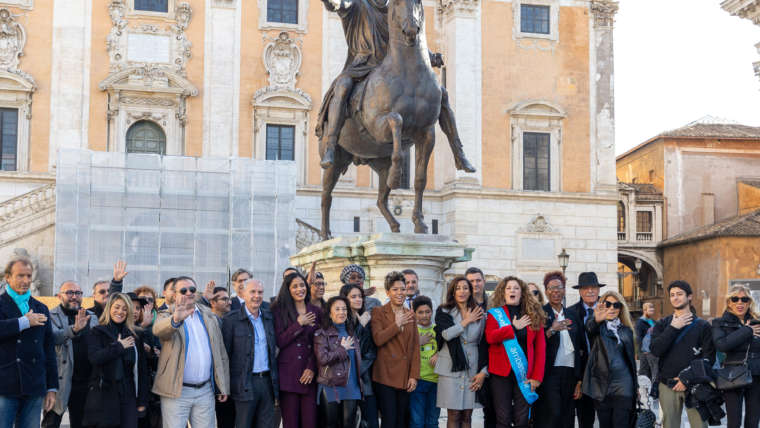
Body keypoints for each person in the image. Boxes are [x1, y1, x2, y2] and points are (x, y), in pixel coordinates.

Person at [152, 276, 230, 428]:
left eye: (192, 289)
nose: (188, 293)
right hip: (176, 392)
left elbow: (221, 353)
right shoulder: (166, 315)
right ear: (175, 295)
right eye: (183, 290)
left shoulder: (209, 315)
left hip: (205, 391)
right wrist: (175, 319)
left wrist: (223, 385)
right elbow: (158, 330)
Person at [0, 257, 57, 428]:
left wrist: (52, 388)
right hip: (5, 385)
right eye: (20, 276)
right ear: (7, 278)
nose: (25, 281)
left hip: (34, 384)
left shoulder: (41, 307)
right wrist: (23, 322)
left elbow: (49, 350)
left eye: (28, 276)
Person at [650, 280, 715, 428]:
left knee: (700, 425)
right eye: (672, 295)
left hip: (695, 384)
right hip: (667, 384)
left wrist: (686, 378)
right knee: (669, 425)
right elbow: (655, 350)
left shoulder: (702, 326)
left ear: (689, 296)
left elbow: (709, 358)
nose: (675, 298)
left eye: (679, 294)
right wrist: (673, 328)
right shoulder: (663, 324)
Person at [484, 276, 546, 428]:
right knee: (503, 420)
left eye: (516, 288)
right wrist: (512, 328)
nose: (512, 290)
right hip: (500, 375)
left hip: (525, 375)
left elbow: (540, 349)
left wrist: (537, 377)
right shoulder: (494, 314)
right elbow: (490, 338)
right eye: (508, 288)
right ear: (503, 293)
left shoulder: (533, 315)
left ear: (522, 293)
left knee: (522, 420)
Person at [84, 293, 150, 428]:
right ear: (109, 308)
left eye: (125, 309)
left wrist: (142, 401)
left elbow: (142, 370)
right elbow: (95, 358)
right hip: (104, 395)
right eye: (117, 307)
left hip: (129, 394)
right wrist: (118, 347)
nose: (120, 312)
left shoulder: (135, 334)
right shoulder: (97, 332)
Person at [222, 278, 279, 428]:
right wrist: (223, 386)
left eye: (260, 292)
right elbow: (224, 356)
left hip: (267, 382)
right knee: (243, 424)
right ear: (243, 294)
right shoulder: (231, 320)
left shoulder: (269, 317)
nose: (257, 296)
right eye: (252, 292)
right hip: (243, 383)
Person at [42, 281, 98, 428]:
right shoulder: (50, 315)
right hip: (59, 382)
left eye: (78, 293)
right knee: (50, 424)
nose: (74, 296)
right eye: (69, 293)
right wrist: (74, 329)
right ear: (60, 296)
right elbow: (52, 338)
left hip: (85, 383)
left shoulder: (92, 317)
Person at [434, 276, 487, 428]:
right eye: (458, 288)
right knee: (454, 414)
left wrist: (484, 370)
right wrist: (466, 321)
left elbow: (484, 343)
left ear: (470, 292)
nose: (462, 291)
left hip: (472, 367)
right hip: (450, 367)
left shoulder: (479, 312)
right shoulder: (444, 310)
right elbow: (446, 335)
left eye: (465, 288)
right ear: (452, 291)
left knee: (467, 416)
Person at [272, 272, 322, 428]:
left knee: (310, 422)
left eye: (302, 285)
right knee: (291, 423)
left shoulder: (316, 311)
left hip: (309, 375)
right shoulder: (278, 311)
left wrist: (312, 368)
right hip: (288, 375)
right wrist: (299, 323)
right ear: (288, 289)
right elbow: (280, 341)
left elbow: (320, 344)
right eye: (295, 286)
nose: (300, 289)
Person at [372, 271, 420, 428]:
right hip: (385, 375)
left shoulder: (410, 315)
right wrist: (396, 325)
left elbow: (414, 347)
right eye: (395, 289)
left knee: (402, 421)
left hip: (405, 376)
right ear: (387, 292)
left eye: (403, 289)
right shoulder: (378, 312)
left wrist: (414, 375)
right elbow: (378, 339)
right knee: (389, 420)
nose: (400, 293)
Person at [533, 271, 582, 428]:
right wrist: (551, 330)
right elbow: (534, 344)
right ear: (546, 291)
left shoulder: (573, 315)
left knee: (568, 417)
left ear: (564, 290)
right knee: (552, 414)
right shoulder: (540, 313)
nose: (556, 291)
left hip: (570, 373)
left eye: (559, 287)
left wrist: (579, 380)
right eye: (551, 288)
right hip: (549, 373)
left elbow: (580, 348)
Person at [582, 291, 637, 428]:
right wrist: (596, 319)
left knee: (621, 424)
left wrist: (636, 387)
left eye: (616, 305)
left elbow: (631, 361)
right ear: (602, 306)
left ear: (621, 308)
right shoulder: (597, 327)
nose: (612, 308)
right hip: (602, 385)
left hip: (624, 385)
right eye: (608, 304)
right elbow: (589, 329)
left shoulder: (627, 331)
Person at [711, 284, 760, 428]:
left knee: (753, 421)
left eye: (744, 299)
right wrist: (747, 331)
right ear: (729, 302)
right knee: (734, 422)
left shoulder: (757, 322)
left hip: (757, 375)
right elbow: (722, 345)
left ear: (749, 302)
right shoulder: (719, 323)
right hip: (732, 376)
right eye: (735, 299)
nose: (740, 303)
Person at [315, 296, 363, 428]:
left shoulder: (352, 333)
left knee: (349, 423)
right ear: (330, 314)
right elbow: (323, 359)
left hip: (352, 385)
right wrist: (342, 349)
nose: (341, 312)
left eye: (344, 309)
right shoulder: (322, 334)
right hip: (331, 385)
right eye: (337, 309)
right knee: (331, 424)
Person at [566, 272, 605, 428]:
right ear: (580, 291)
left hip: (605, 374)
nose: (590, 291)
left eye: (593, 287)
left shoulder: (610, 309)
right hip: (582, 374)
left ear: (598, 290)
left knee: (607, 418)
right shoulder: (570, 312)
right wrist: (577, 378)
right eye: (586, 288)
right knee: (585, 419)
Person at [340, 283, 379, 428]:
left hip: (364, 379)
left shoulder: (366, 319)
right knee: (347, 421)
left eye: (360, 296)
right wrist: (360, 326)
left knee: (371, 422)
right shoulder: (339, 321)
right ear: (344, 299)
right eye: (353, 297)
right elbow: (346, 348)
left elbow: (371, 352)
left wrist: (358, 370)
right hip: (345, 381)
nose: (358, 299)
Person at [463, 266, 495, 428]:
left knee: (492, 411)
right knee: (464, 412)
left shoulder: (495, 305)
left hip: (492, 363)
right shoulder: (461, 306)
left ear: (484, 282)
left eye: (478, 280)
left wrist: (486, 369)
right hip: (468, 364)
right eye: (471, 281)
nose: (475, 284)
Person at [132, 287, 162, 428]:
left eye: (150, 299)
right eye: (142, 300)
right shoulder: (131, 324)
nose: (146, 303)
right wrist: (142, 327)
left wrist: (154, 353)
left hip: (153, 384)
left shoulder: (160, 322)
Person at [410, 295, 439, 428]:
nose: (424, 315)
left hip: (436, 382)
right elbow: (404, 351)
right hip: (418, 381)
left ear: (432, 312)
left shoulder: (438, 330)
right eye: (420, 312)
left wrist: (439, 354)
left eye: (427, 312)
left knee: (432, 421)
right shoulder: (411, 331)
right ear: (414, 313)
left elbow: (448, 348)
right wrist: (417, 342)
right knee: (417, 421)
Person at [635, 302, 659, 393]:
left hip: (653, 350)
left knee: (653, 370)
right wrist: (642, 350)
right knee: (644, 371)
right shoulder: (640, 322)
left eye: (653, 309)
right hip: (645, 351)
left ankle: (652, 390)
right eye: (650, 309)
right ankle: (643, 392)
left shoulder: (653, 321)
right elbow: (639, 337)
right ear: (645, 310)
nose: (652, 310)